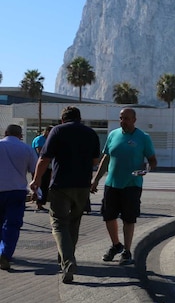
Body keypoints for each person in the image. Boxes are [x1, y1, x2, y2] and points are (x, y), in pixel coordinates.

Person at [30, 106, 101, 284]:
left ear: (63, 119)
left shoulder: (57, 131)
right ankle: (65, 259)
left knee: (59, 223)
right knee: (74, 224)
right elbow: (95, 160)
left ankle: (68, 261)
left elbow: (44, 159)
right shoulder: (90, 133)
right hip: (83, 186)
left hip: (61, 185)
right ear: (79, 118)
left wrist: (36, 180)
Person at [90, 108, 157, 265]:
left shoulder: (143, 138)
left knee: (128, 218)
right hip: (112, 184)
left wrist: (146, 169)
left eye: (126, 118)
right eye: (121, 118)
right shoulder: (113, 135)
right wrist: (96, 179)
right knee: (108, 216)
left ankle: (127, 251)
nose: (123, 121)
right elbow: (106, 158)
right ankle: (116, 245)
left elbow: (152, 160)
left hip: (132, 185)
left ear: (134, 119)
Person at [0, 125, 38, 271]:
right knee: (12, 225)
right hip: (17, 191)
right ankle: (6, 254)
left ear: (5, 133)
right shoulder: (26, 149)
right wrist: (36, 190)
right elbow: (35, 171)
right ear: (20, 135)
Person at [31, 126, 52, 210]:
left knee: (45, 184)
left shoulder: (49, 139)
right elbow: (40, 152)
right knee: (39, 183)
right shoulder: (40, 139)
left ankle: (41, 201)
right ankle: (38, 202)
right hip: (39, 165)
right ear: (46, 131)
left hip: (47, 165)